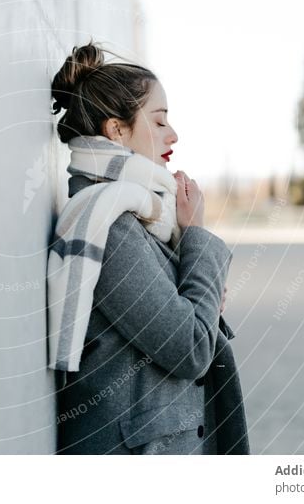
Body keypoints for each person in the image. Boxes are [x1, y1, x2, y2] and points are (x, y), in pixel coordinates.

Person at [47, 40, 249, 455]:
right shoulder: (108, 223)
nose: (173, 135)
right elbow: (190, 348)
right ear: (116, 129)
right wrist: (195, 235)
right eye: (158, 122)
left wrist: (200, 292)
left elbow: (187, 323)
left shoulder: (140, 214)